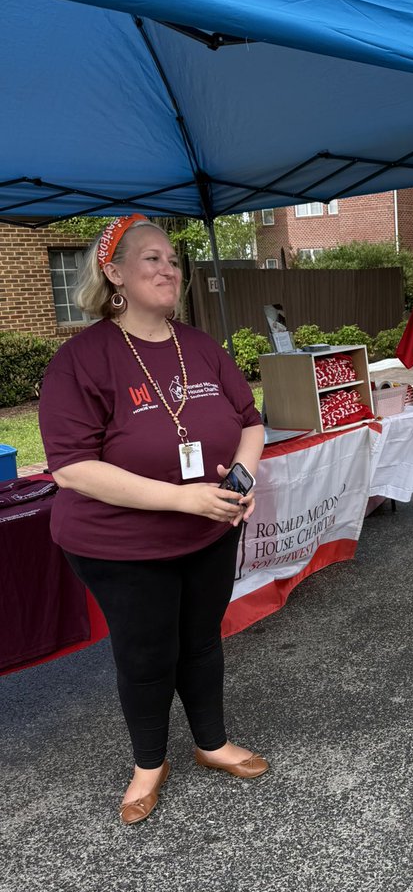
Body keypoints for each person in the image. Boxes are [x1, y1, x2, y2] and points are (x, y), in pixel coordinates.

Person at [39, 215, 269, 824]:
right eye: (151, 259)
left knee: (200, 640)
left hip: (209, 528)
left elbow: (250, 421)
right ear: (113, 273)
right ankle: (148, 763)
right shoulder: (82, 359)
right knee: (146, 654)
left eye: (172, 259)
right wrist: (183, 498)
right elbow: (72, 469)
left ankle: (211, 742)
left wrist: (238, 484)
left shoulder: (200, 345)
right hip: (119, 544)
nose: (169, 269)